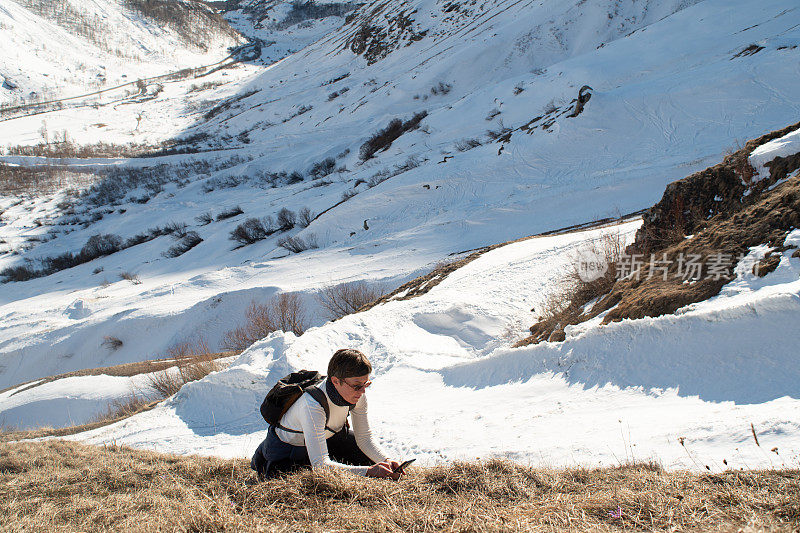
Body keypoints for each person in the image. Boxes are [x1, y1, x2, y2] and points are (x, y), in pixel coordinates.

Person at [251, 348, 401, 479]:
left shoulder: (358, 394)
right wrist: (369, 472)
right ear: (335, 381)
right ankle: (262, 460)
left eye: (366, 384)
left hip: (326, 438)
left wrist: (387, 461)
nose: (362, 391)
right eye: (357, 386)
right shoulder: (312, 406)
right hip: (288, 452)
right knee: (309, 484)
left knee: (373, 463)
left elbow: (364, 439)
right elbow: (320, 466)